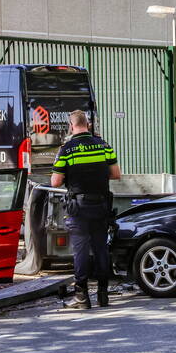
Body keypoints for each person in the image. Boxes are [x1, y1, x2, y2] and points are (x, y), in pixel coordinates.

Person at [50, 110, 120, 309]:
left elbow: (55, 182)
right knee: (101, 249)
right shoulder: (103, 145)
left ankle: (81, 297)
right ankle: (103, 295)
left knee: (80, 251)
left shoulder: (67, 149)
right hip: (101, 206)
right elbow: (116, 174)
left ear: (71, 126)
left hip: (79, 208)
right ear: (87, 124)